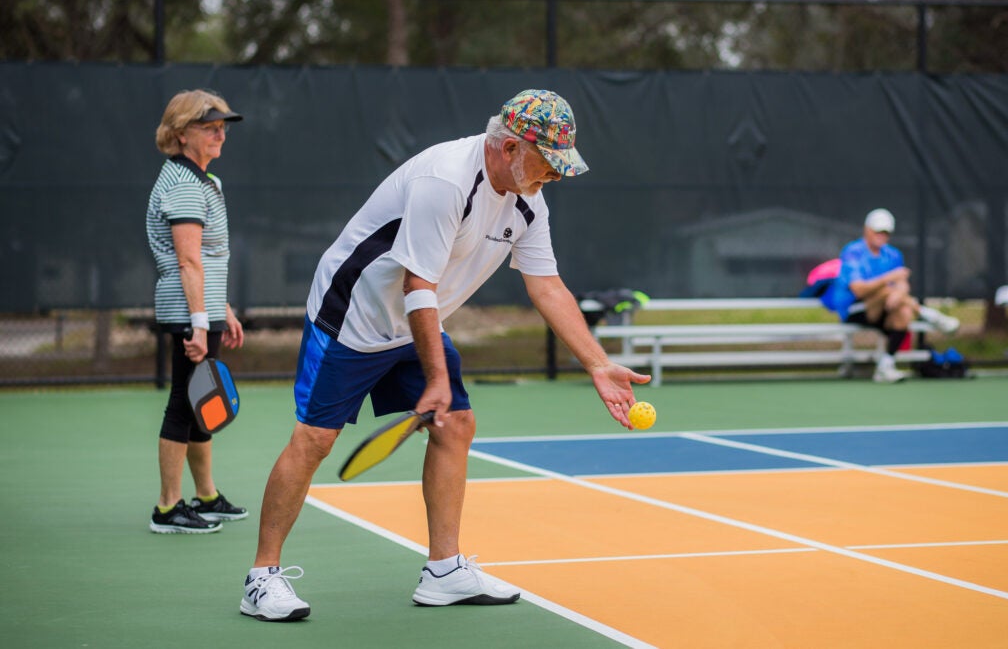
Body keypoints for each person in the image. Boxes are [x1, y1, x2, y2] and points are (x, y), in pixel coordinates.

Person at [239, 89, 651, 621]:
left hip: (417, 318)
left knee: (455, 424)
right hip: (354, 314)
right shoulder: (446, 180)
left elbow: (546, 285)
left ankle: (444, 571)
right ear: (509, 147)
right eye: (548, 162)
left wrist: (597, 362)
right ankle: (261, 577)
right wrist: (435, 375)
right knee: (315, 438)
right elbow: (418, 283)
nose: (554, 174)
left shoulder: (530, 198)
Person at [145, 89, 248, 533]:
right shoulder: (185, 184)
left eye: (223, 126)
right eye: (210, 127)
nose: (220, 134)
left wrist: (223, 309)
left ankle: (205, 497)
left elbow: (206, 258)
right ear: (181, 134)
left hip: (201, 308)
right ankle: (168, 508)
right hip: (188, 311)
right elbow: (187, 261)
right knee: (183, 406)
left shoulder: (204, 180)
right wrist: (201, 324)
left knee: (202, 401)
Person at [822, 208, 959, 383]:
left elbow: (903, 283)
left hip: (887, 308)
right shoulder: (852, 252)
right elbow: (859, 290)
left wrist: (898, 293)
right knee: (887, 291)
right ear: (867, 230)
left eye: (886, 232)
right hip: (854, 310)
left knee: (905, 313)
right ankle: (927, 314)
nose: (882, 236)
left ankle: (885, 367)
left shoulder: (893, 254)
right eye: (878, 231)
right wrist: (889, 282)